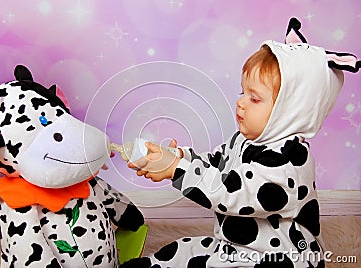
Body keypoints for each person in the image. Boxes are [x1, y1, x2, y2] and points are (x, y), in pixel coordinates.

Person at [121, 18, 360, 268]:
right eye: (242, 92)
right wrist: (177, 157)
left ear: (291, 112)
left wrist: (178, 170)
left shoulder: (288, 162)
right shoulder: (245, 140)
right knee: (183, 250)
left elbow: (230, 192)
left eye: (254, 99)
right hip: (235, 246)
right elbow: (214, 165)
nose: (241, 102)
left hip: (280, 258)